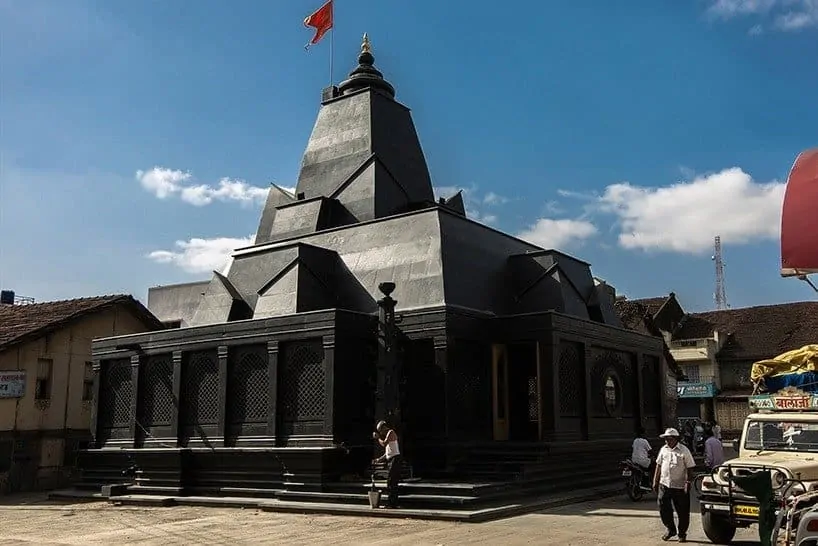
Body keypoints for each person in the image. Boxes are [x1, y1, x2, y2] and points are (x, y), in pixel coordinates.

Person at [653, 427, 696, 543]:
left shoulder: (684, 450)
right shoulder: (663, 450)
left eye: (670, 439)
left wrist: (688, 482)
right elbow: (659, 465)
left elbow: (690, 468)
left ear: (676, 439)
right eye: (666, 439)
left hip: (680, 486)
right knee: (663, 507)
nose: (668, 441)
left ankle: (682, 533)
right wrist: (655, 481)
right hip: (665, 484)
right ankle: (670, 529)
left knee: (682, 511)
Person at [372, 420, 401, 508]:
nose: (381, 433)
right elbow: (387, 453)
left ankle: (393, 503)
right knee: (390, 482)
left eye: (381, 430)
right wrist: (378, 459)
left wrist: (378, 438)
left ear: (383, 427)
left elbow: (384, 443)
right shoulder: (388, 438)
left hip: (395, 460)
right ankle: (391, 502)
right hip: (391, 460)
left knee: (392, 481)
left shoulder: (390, 432)